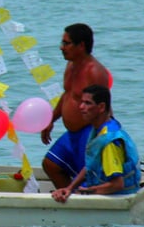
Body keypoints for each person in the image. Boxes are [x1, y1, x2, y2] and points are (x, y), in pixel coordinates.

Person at [41, 24, 112, 190]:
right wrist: (51, 119)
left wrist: (100, 138)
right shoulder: (71, 65)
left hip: (89, 133)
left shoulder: (95, 72)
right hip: (72, 134)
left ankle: (83, 204)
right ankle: (70, 196)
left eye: (66, 43)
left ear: (81, 46)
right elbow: (68, 95)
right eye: (62, 43)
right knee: (50, 165)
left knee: (88, 178)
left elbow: (104, 107)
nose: (61, 47)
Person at [51, 84, 140, 202]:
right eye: (81, 102)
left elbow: (117, 184)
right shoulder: (98, 129)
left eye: (87, 103)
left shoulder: (109, 142)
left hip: (118, 196)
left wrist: (88, 192)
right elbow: (90, 165)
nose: (81, 107)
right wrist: (70, 188)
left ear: (101, 107)